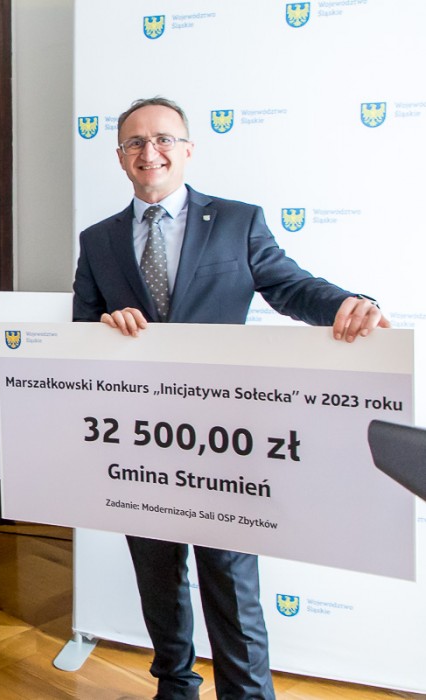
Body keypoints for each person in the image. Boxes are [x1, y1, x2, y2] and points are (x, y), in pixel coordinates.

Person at [72, 96, 388, 700]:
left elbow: (291, 286)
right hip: (139, 435)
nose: (150, 151)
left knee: (230, 574)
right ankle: (175, 685)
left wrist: (348, 304)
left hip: (222, 436)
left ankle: (246, 694)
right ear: (120, 157)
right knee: (156, 572)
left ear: (188, 149)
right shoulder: (98, 240)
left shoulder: (238, 222)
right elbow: (80, 328)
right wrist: (105, 326)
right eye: (135, 142)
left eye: (163, 139)